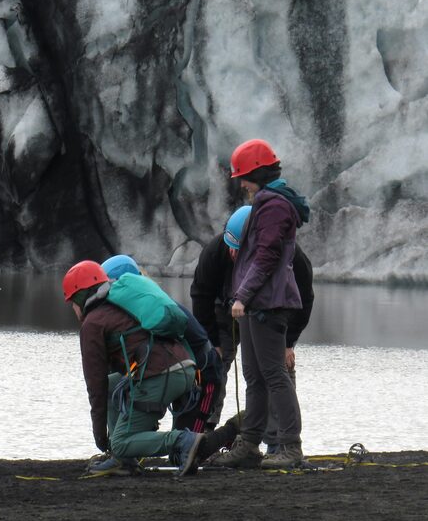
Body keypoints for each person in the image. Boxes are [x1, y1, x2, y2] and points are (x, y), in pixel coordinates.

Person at [206, 139, 311, 470]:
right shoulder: (267, 202)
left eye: (244, 177)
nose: (241, 184)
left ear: (258, 174)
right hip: (256, 304)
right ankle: (250, 444)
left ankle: (289, 447)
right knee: (254, 375)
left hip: (267, 303)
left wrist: (243, 296)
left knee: (274, 375)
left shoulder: (275, 206)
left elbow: (266, 255)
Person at [62, 260, 217, 477]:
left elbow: (95, 384)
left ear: (81, 296)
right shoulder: (122, 304)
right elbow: (105, 384)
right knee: (113, 386)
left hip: (161, 375)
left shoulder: (93, 324)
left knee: (121, 442)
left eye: (72, 300)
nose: (72, 306)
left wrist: (100, 437)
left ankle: (182, 441)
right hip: (185, 370)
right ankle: (123, 460)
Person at [192, 206, 315, 453]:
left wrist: (289, 343)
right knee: (215, 364)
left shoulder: (292, 258)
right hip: (224, 309)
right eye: (231, 249)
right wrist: (212, 341)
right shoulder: (217, 251)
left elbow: (305, 300)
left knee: (276, 370)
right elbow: (200, 295)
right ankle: (203, 433)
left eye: (238, 251)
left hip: (268, 309)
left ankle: (278, 443)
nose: (232, 254)